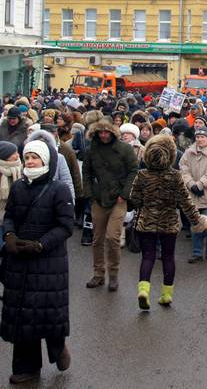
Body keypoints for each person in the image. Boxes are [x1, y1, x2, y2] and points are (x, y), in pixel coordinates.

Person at [0, 139, 74, 384]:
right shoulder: (19, 186)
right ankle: (27, 367)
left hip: (48, 260)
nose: (30, 161)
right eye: (27, 157)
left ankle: (57, 346)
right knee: (23, 312)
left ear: (46, 160)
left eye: (35, 157)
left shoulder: (59, 189)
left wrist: (41, 244)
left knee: (46, 312)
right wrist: (9, 235)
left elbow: (65, 226)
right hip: (20, 256)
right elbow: (9, 214)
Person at [129, 135, 207, 310]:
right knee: (168, 257)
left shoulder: (142, 175)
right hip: (169, 223)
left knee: (148, 256)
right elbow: (185, 202)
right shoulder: (175, 176)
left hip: (146, 222)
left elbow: (134, 200)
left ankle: (143, 290)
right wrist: (197, 220)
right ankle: (166, 295)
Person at [81, 117, 138, 291]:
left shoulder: (124, 149)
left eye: (107, 132)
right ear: (96, 133)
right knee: (97, 239)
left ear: (113, 133)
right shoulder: (91, 150)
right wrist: (90, 195)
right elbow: (87, 172)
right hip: (99, 198)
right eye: (101, 132)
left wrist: (124, 194)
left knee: (112, 237)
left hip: (118, 198)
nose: (104, 135)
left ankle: (113, 274)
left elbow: (133, 170)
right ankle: (99, 274)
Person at [179, 127, 207, 263]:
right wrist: (191, 184)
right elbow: (183, 168)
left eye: (202, 137)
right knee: (196, 224)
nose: (199, 139)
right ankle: (197, 252)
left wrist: (200, 184)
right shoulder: (188, 152)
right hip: (192, 195)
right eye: (197, 137)